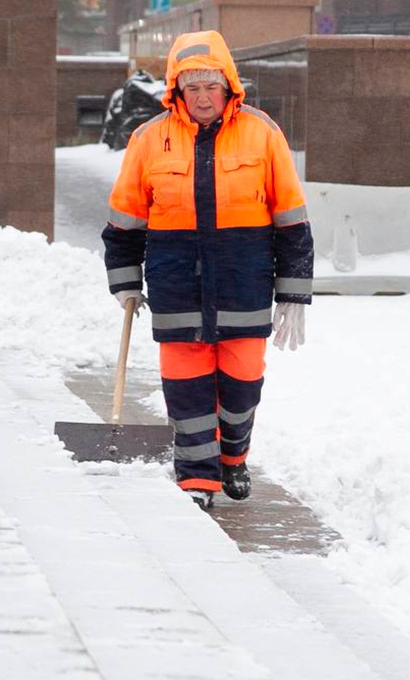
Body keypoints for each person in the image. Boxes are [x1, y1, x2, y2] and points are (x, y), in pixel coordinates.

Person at [102, 30, 313, 511]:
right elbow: (125, 220)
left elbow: (293, 220)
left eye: (210, 87)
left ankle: (233, 456)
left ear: (228, 87)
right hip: (177, 285)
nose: (202, 97)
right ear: (176, 89)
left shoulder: (263, 133)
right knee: (187, 388)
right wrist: (126, 281)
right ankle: (197, 478)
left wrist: (294, 294)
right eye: (191, 87)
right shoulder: (150, 139)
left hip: (246, 282)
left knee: (242, 386)